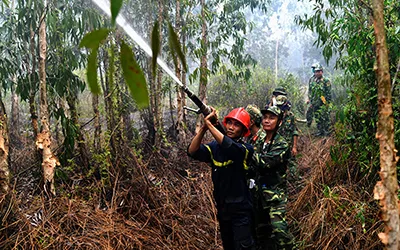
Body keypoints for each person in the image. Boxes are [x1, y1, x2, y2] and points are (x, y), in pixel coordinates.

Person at [187, 107, 255, 250]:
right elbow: (192, 151)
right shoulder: (215, 147)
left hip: (241, 211)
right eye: (229, 123)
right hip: (224, 209)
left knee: (243, 246)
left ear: (243, 130)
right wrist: (204, 128)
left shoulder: (246, 149)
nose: (231, 127)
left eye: (236, 125)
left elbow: (229, 147)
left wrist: (211, 125)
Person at [252, 106, 294, 250]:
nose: (267, 121)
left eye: (272, 118)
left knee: (280, 231)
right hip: (258, 195)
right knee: (261, 232)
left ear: (279, 122)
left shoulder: (281, 144)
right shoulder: (259, 140)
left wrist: (243, 151)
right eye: (265, 118)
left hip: (275, 196)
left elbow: (264, 163)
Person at [275, 94, 300, 181]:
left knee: (292, 163)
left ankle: (295, 181)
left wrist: (294, 147)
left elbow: (295, 131)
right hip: (277, 146)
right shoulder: (275, 116)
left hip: (288, 145)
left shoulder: (291, 116)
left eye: (281, 106)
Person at [306, 63, 332, 136]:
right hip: (314, 102)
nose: (317, 73)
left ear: (322, 72)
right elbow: (310, 91)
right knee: (317, 117)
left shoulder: (326, 81)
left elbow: (328, 93)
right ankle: (320, 131)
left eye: (318, 71)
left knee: (324, 116)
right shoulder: (313, 80)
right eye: (316, 72)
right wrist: (310, 100)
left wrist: (326, 103)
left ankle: (326, 131)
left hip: (323, 102)